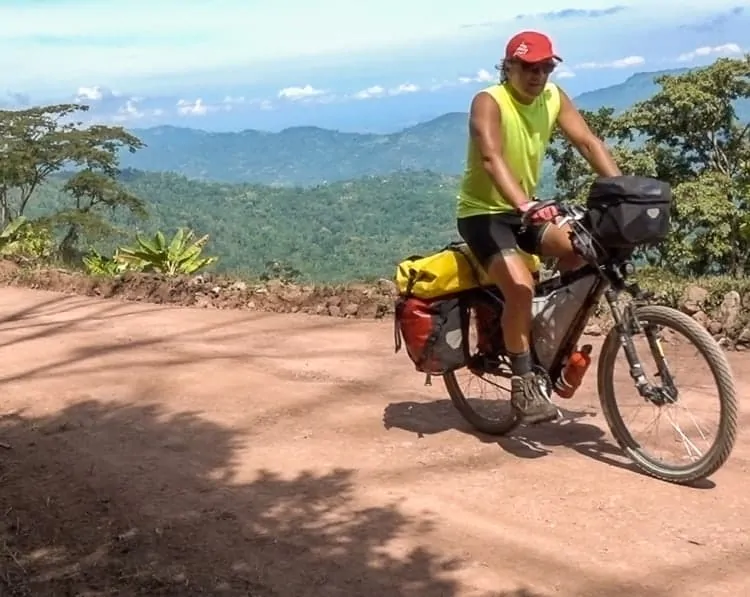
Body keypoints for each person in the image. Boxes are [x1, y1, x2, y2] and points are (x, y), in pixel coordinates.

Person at [456, 30, 621, 424]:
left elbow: (587, 143)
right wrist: (526, 204)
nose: (538, 75)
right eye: (529, 67)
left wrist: (624, 190)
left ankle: (549, 340)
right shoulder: (488, 101)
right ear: (508, 67)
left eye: (546, 66)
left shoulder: (553, 98)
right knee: (520, 287)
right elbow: (492, 159)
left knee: (585, 249)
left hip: (526, 212)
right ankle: (523, 383)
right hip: (485, 214)